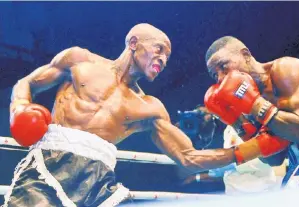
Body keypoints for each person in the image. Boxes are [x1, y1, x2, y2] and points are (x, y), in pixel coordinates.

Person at [6, 24, 238, 207]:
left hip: (98, 182)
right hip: (49, 164)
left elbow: (189, 157)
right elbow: (27, 83)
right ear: (134, 43)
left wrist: (253, 148)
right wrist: (20, 107)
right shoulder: (79, 60)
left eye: (167, 56)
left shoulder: (149, 107)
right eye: (158, 49)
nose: (163, 60)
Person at [203, 36, 299, 188]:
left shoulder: (285, 68)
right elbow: (274, 160)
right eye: (215, 75)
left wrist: (256, 104)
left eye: (224, 66)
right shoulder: (249, 97)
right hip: (298, 165)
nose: (220, 78)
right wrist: (239, 123)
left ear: (246, 55)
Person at [180, 108, 285, 194]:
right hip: (235, 193)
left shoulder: (252, 126)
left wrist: (223, 163)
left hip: (259, 192)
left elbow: (260, 161)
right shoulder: (228, 131)